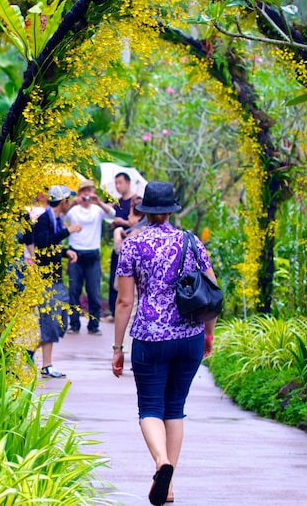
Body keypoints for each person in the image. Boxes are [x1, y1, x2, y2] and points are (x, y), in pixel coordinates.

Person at [110, 181, 217, 506]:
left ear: (144, 211)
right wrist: (208, 333)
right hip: (189, 337)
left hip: (149, 337)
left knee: (151, 407)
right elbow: (211, 288)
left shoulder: (133, 245)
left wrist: (118, 348)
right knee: (175, 408)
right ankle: (168, 488)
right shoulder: (191, 241)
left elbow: (124, 301)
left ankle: (161, 463)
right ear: (171, 209)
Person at [31, 184, 81, 378]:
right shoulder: (44, 219)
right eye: (68, 201)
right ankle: (47, 365)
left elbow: (50, 246)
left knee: (60, 320)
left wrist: (64, 252)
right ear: (63, 202)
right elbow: (42, 243)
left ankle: (28, 352)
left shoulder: (56, 220)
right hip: (45, 279)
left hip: (55, 278)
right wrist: (68, 231)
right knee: (51, 321)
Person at [63, 180, 115, 335]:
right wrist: (72, 203)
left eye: (89, 191)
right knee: (74, 291)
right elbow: (62, 215)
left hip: (92, 255)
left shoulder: (97, 210)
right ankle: (74, 325)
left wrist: (98, 202)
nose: (86, 194)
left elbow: (112, 215)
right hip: (75, 255)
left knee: (94, 292)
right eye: (83, 191)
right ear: (79, 193)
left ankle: (94, 325)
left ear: (93, 192)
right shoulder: (74, 210)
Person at [107, 171, 142, 320]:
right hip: (123, 244)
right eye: (116, 183)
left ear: (128, 182)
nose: (117, 186)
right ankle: (114, 311)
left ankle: (121, 313)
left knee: (124, 286)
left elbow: (135, 223)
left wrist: (120, 228)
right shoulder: (117, 201)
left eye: (120, 182)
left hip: (126, 245)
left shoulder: (136, 200)